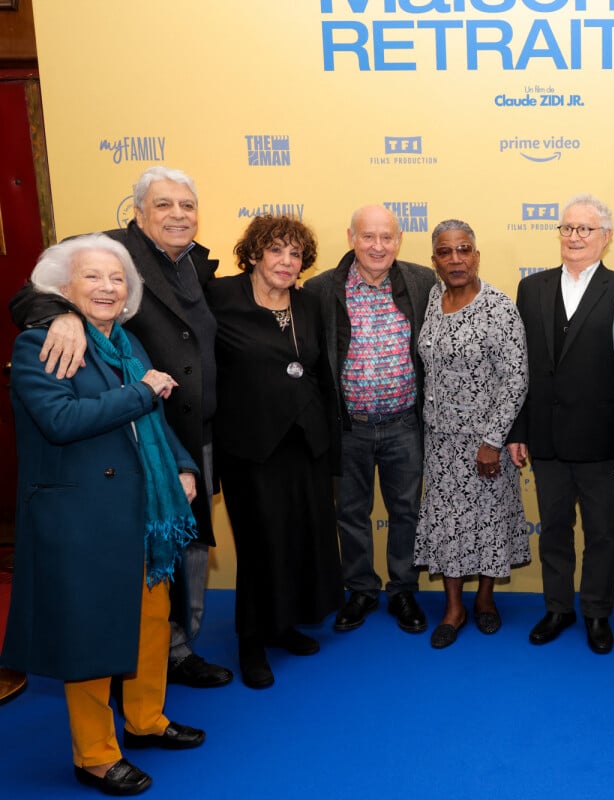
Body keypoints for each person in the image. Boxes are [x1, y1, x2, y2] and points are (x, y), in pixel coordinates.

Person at [9, 166, 232, 689]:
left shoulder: (199, 264)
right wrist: (60, 314)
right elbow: (33, 291)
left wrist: (181, 457)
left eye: (187, 205)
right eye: (164, 205)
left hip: (179, 441)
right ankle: (134, 672)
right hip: (110, 461)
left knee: (183, 558)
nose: (178, 214)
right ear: (137, 212)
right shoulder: (104, 251)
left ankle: (172, 659)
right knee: (116, 587)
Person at [2, 235, 205, 796]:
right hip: (81, 518)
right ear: (63, 289)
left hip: (145, 512)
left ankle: (146, 721)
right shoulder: (38, 344)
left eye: (117, 279)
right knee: (90, 635)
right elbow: (61, 420)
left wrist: (184, 467)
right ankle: (93, 755)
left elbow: (156, 426)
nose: (108, 288)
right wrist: (142, 392)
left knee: (148, 622)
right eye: (93, 277)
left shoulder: (127, 342)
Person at [207, 215, 343, 688]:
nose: (287, 262)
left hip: (304, 444)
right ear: (255, 254)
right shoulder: (220, 297)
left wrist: (330, 443)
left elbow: (320, 372)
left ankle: (282, 625)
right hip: (249, 447)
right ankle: (251, 641)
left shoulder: (307, 304)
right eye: (277, 251)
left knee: (298, 538)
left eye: (296, 254)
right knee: (260, 544)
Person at [508, 193, 614, 655]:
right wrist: (519, 431)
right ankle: (558, 608)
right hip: (545, 438)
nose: (574, 237)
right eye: (567, 228)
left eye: (585, 229)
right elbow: (521, 370)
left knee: (602, 533)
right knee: (554, 529)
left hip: (604, 441)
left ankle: (597, 613)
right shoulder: (532, 289)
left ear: (605, 238)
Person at [308, 206, 438, 636]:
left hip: (405, 424)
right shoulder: (321, 289)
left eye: (386, 237)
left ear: (399, 241)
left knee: (406, 511)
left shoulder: (422, 282)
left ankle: (403, 588)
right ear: (351, 238)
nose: (377, 246)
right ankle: (360, 589)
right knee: (351, 513)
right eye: (368, 237)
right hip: (349, 428)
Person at [414, 220, 529, 649]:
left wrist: (492, 441)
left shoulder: (498, 307)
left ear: (477, 256)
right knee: (447, 525)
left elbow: (516, 378)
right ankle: (453, 608)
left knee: (486, 521)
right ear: (435, 261)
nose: (456, 259)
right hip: (439, 441)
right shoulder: (431, 299)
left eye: (464, 250)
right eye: (445, 252)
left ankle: (484, 600)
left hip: (484, 442)